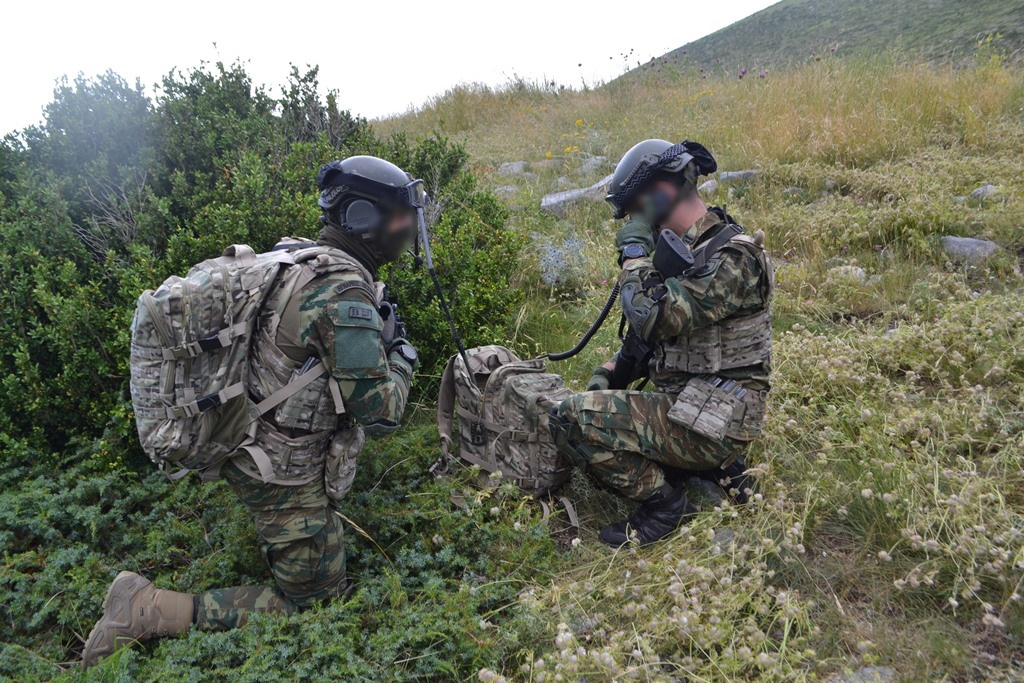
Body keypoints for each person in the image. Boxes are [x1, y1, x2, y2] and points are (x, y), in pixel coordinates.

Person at [82, 156, 421, 666]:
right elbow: (381, 412)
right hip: (280, 471)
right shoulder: (342, 292)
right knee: (317, 606)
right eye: (399, 216)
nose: (408, 227)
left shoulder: (298, 256)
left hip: (250, 437)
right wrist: (402, 357)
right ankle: (148, 609)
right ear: (364, 219)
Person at [552, 139, 775, 547]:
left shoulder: (733, 259)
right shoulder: (689, 251)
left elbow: (655, 319)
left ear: (662, 192)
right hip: (697, 406)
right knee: (600, 393)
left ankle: (666, 507)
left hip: (718, 421)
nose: (637, 221)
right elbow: (655, 341)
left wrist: (634, 257)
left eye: (636, 211)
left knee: (571, 418)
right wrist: (609, 374)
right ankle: (708, 468)